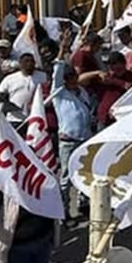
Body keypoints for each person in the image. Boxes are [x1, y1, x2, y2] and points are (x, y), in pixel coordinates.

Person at [52, 38, 96, 224]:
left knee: (85, 173)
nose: (73, 80)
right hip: (68, 140)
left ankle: (83, 204)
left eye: (74, 77)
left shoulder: (82, 92)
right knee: (66, 179)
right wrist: (62, 51)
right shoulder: (59, 95)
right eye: (69, 78)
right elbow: (56, 72)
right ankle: (63, 212)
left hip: (84, 138)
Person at [81, 52, 132, 128]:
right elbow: (80, 80)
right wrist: (96, 73)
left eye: (115, 63)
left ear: (123, 63)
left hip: (124, 118)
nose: (112, 67)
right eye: (110, 64)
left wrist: (116, 82)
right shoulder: (104, 77)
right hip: (104, 119)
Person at [0, 52, 47, 122]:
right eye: (26, 61)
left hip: (35, 118)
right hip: (14, 119)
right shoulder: (10, 78)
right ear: (20, 63)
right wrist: (8, 106)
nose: (29, 63)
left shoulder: (43, 77)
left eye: (32, 61)